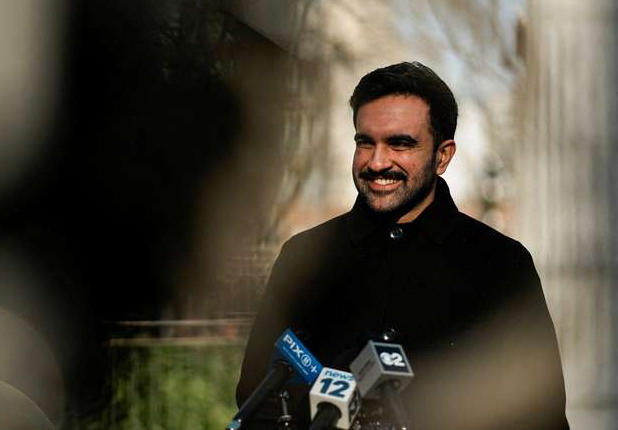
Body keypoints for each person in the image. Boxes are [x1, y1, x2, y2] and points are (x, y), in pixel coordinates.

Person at [235, 62, 569, 430]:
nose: (377, 162)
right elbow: (255, 398)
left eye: (400, 143)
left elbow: (542, 416)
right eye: (365, 142)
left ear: (442, 156)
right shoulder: (303, 256)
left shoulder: (501, 265)